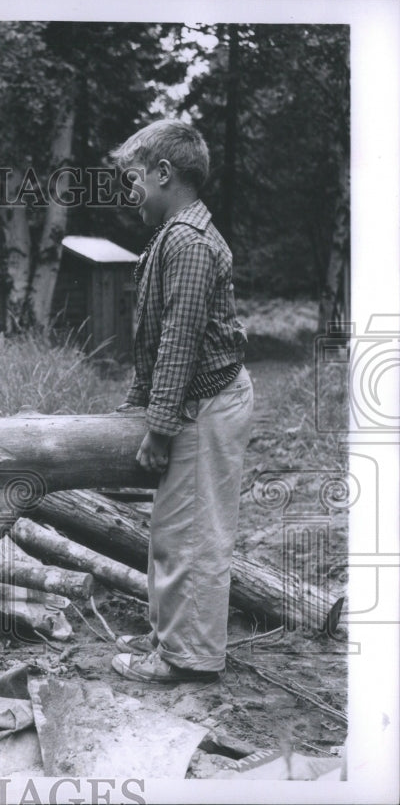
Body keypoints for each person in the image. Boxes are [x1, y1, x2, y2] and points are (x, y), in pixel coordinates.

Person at [108, 119, 254, 682]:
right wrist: (137, 403)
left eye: (134, 180)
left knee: (191, 535)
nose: (129, 193)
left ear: (164, 174)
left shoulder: (188, 243)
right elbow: (156, 334)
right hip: (199, 400)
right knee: (174, 530)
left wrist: (160, 425)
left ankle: (186, 660)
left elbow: (180, 339)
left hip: (207, 404)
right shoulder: (177, 235)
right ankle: (170, 635)